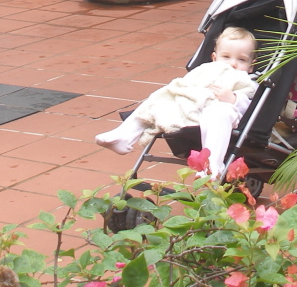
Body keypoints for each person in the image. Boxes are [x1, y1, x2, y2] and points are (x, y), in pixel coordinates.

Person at [95, 27, 257, 176]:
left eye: (242, 60)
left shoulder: (247, 81)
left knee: (219, 112)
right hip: (190, 110)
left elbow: (251, 105)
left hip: (221, 117)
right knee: (161, 98)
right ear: (214, 58)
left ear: (251, 65)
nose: (233, 64)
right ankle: (124, 135)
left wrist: (233, 99)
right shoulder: (206, 71)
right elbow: (187, 86)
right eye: (226, 57)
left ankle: (212, 166)